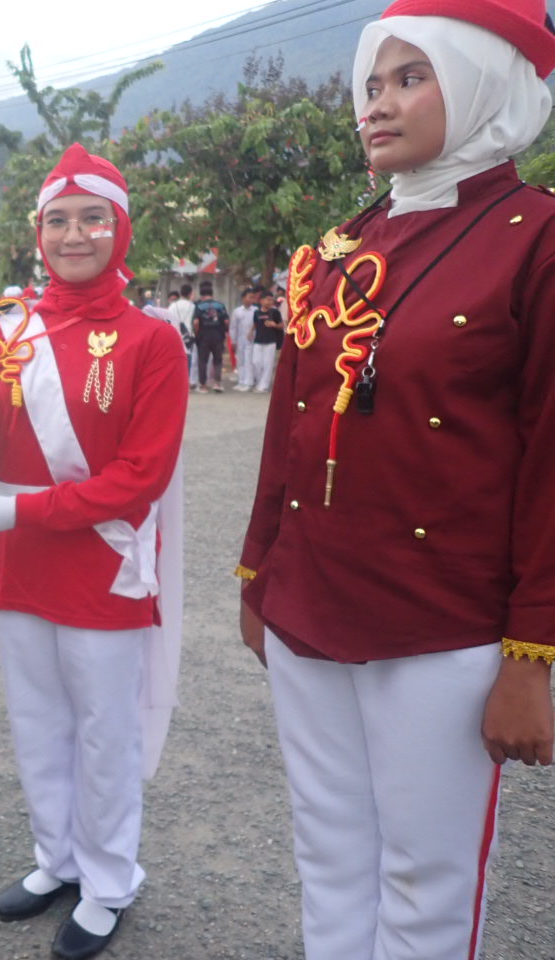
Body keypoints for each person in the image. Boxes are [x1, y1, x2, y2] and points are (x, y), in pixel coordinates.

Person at [238, 3, 555, 959]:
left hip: (445, 627)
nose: (377, 105)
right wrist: (259, 575)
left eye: (411, 78)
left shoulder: (536, 240)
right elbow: (289, 429)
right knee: (329, 859)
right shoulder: (341, 246)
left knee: (425, 883)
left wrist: (532, 655)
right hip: (311, 606)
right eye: (371, 84)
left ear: (486, 84)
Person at [0, 143, 188, 960]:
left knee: (103, 732)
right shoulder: (2, 328)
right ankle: (58, 860)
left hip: (102, 568)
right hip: (13, 562)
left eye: (93, 218)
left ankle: (110, 880)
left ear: (121, 229)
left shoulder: (154, 341)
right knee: (36, 723)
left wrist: (15, 511)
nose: (74, 234)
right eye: (59, 219)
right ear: (37, 232)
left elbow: (137, 482)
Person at [191, 280, 229, 393]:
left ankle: (203, 386)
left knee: (203, 361)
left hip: (204, 336)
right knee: (218, 360)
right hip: (218, 336)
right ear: (212, 294)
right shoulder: (220, 305)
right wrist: (224, 332)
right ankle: (217, 384)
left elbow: (196, 322)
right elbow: (226, 321)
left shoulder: (199, 306)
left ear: (202, 296)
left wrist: (196, 333)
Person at [248, 290, 283, 393]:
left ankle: (264, 386)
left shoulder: (275, 312)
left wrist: (274, 325)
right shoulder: (257, 312)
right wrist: (250, 332)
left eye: (272, 300)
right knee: (256, 362)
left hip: (270, 342)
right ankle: (259, 382)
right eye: (268, 300)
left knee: (268, 364)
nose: (270, 302)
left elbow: (282, 325)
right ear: (262, 301)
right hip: (258, 341)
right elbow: (255, 324)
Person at [166, 283, 196, 386]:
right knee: (188, 357)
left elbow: (167, 320)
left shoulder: (173, 306)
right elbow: (195, 321)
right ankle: (186, 380)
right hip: (189, 335)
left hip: (175, 334)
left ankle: (175, 380)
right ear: (190, 293)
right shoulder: (192, 306)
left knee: (175, 357)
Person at [230, 288, 258, 391]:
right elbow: (233, 327)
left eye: (253, 297)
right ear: (243, 298)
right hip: (240, 340)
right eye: (249, 297)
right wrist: (233, 341)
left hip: (252, 340)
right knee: (240, 361)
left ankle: (248, 382)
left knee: (249, 361)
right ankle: (241, 381)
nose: (251, 300)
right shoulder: (237, 311)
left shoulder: (256, 310)